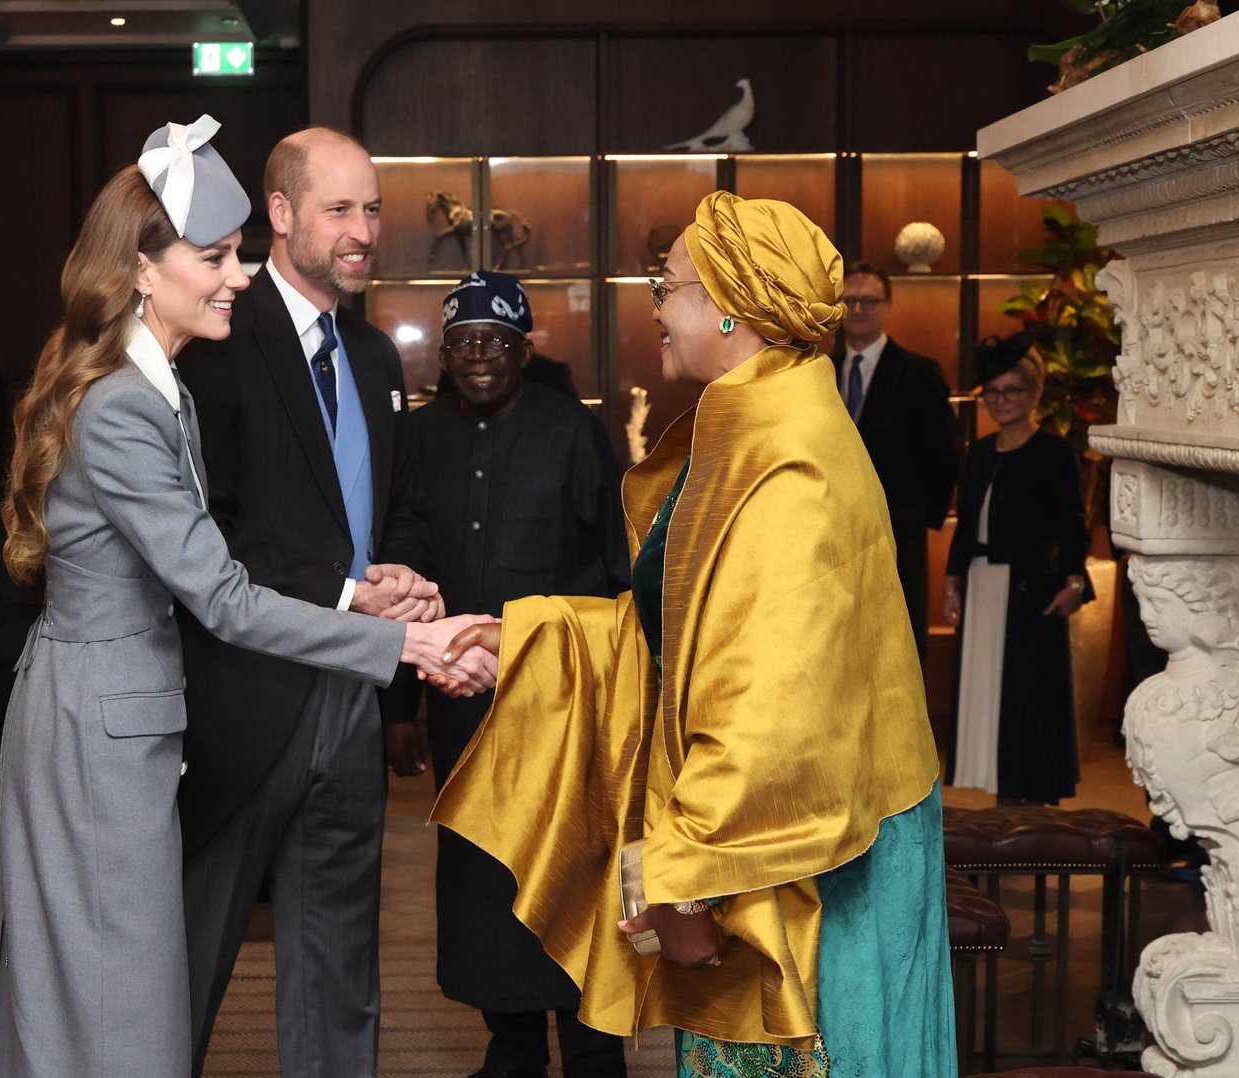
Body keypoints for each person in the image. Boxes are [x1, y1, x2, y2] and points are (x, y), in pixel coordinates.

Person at [0, 115, 490, 1077]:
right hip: (100, 723)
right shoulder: (128, 406)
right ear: (142, 270)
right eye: (213, 257)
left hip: (128, 712)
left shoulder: (158, 388)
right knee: (115, 995)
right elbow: (223, 596)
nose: (238, 275)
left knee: (108, 991)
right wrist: (407, 645)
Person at [430, 194, 956, 1076]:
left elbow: (771, 701)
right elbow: (682, 628)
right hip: (774, 832)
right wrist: (525, 636)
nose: (655, 309)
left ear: (730, 308)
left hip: (813, 855)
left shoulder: (788, 462)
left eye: (665, 287)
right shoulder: (756, 423)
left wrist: (679, 881)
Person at [174, 125, 437, 1076]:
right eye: (340, 209)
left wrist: (398, 578)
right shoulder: (214, 340)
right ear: (280, 214)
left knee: (339, 971)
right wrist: (347, 593)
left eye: (373, 209)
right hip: (241, 697)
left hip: (352, 697)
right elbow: (209, 532)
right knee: (185, 965)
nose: (363, 230)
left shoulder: (373, 356)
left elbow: (394, 506)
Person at [394, 271, 632, 1078]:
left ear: (524, 350)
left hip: (563, 707)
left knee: (571, 874)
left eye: (495, 342)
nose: (478, 357)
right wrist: (398, 707)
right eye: (462, 343)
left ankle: (594, 1054)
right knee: (482, 885)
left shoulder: (573, 430)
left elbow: (620, 570)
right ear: (443, 355)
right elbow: (404, 570)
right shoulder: (419, 438)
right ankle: (515, 1047)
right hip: (459, 708)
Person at [944, 332, 1091, 806]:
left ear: (1034, 394)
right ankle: (999, 807)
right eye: (992, 392)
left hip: (1030, 594)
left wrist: (1075, 582)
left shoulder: (1053, 451)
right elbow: (967, 526)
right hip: (982, 587)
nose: (1001, 400)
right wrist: (952, 584)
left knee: (1029, 703)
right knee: (987, 698)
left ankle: (1031, 812)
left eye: (1012, 390)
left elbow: (1073, 525)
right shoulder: (981, 452)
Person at [832, 261, 960, 660]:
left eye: (868, 300)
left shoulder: (918, 373)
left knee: (896, 643)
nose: (858, 309)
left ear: (887, 305)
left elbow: (945, 452)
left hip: (898, 531)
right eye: (849, 300)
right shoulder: (820, 373)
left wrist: (919, 514)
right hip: (831, 533)